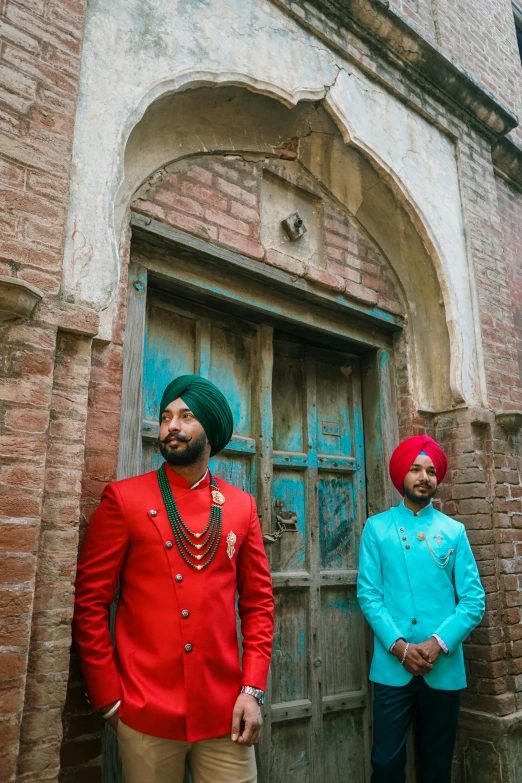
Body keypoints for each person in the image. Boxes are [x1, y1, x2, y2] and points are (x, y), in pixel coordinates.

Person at [73, 374, 274, 783]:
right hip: (145, 711)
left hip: (225, 713)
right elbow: (90, 603)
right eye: (166, 417)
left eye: (186, 416)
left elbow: (258, 605)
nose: (172, 427)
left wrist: (252, 691)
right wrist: (110, 701)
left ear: (210, 431)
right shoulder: (124, 499)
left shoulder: (241, 506)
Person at [357, 435, 485, 783]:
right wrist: (400, 647)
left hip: (442, 666)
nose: (424, 477)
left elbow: (474, 601)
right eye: (415, 469)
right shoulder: (377, 527)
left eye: (430, 471)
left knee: (437, 765)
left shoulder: (453, 531)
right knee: (385, 764)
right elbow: (369, 595)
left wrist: (436, 643)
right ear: (402, 475)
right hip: (392, 666)